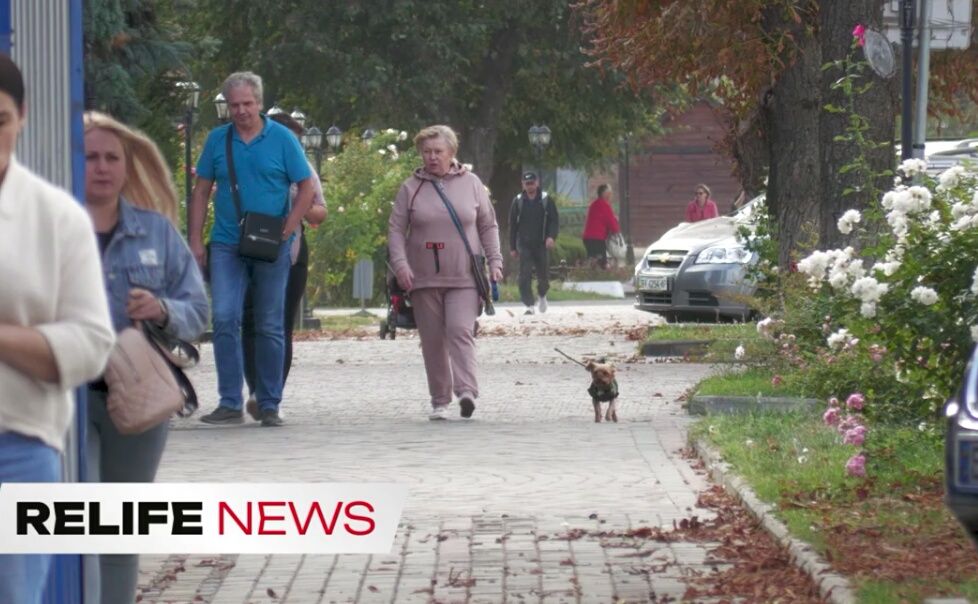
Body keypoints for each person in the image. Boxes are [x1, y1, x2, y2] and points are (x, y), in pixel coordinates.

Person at [0, 54, 116, 604]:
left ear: (21, 117)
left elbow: (91, 343)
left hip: (19, 449)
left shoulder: (55, 218)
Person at [82, 111, 209, 604]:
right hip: (67, 397)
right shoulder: (50, 228)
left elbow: (197, 311)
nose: (102, 166)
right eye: (90, 156)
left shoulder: (155, 233)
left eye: (112, 157)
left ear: (127, 164)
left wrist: (161, 309)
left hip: (138, 399)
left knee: (118, 531)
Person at [189, 71, 316, 427]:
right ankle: (230, 401)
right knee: (225, 317)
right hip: (228, 243)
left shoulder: (282, 140)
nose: (242, 111)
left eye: (248, 103)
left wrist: (287, 230)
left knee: (270, 323)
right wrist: (196, 240)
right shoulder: (218, 140)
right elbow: (200, 192)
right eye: (234, 105)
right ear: (227, 107)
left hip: (271, 244)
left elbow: (306, 188)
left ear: (259, 103)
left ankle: (269, 402)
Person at [388, 125, 503, 421]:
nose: (432, 157)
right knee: (432, 339)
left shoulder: (471, 183)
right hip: (422, 278)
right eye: (426, 152)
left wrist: (495, 261)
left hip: (463, 275)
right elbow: (396, 230)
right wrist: (401, 265)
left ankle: (466, 392)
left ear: (452, 152)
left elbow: (488, 225)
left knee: (460, 330)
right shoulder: (410, 188)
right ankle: (440, 400)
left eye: (438, 151)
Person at [242, 112, 327, 420]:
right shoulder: (250, 161)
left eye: (295, 140)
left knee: (279, 325)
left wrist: (302, 209)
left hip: (290, 252)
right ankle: (256, 389)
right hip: (249, 246)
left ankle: (271, 397)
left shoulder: (304, 169)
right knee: (251, 321)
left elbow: (320, 212)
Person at [509, 171, 558, 315]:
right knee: (524, 275)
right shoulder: (518, 201)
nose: (529, 186)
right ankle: (529, 304)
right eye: (526, 183)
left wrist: (551, 237)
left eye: (532, 183)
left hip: (541, 243)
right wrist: (513, 246)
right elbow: (512, 225)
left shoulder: (545, 199)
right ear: (523, 184)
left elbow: (554, 220)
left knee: (543, 275)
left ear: (537, 183)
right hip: (524, 244)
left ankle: (542, 295)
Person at [582, 183, 621, 269]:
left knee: (592, 261)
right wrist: (617, 232)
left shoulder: (593, 204)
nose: (611, 195)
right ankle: (603, 278)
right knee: (602, 263)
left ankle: (590, 277)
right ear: (605, 194)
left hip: (588, 238)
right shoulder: (605, 205)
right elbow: (612, 224)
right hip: (597, 238)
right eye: (610, 193)